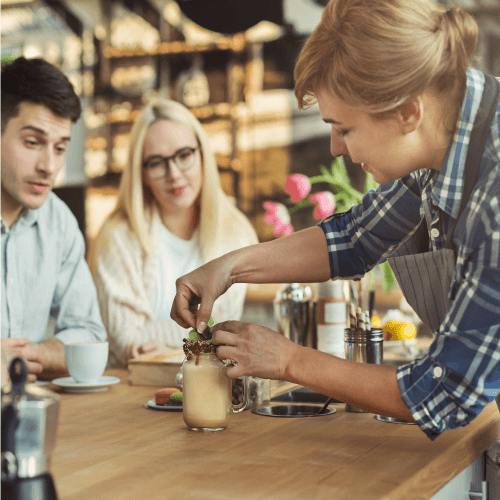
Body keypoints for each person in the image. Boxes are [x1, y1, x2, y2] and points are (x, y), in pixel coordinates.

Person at [170, 0, 500, 441]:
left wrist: (289, 359)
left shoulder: (494, 192)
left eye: (343, 128)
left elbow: (441, 392)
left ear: (408, 111)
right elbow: (353, 238)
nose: (335, 148)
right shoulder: (446, 133)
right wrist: (228, 267)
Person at [88, 99, 258, 368]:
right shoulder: (117, 237)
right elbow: (126, 342)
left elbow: (225, 336)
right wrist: (200, 343)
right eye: (157, 163)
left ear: (201, 155)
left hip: (205, 389)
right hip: (129, 397)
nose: (174, 174)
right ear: (142, 173)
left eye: (184, 156)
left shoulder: (235, 234)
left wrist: (167, 348)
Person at [1, 57, 107, 384]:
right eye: (33, 142)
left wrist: (31, 356)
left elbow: (89, 334)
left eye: (60, 148)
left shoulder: (57, 221)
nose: (49, 166)